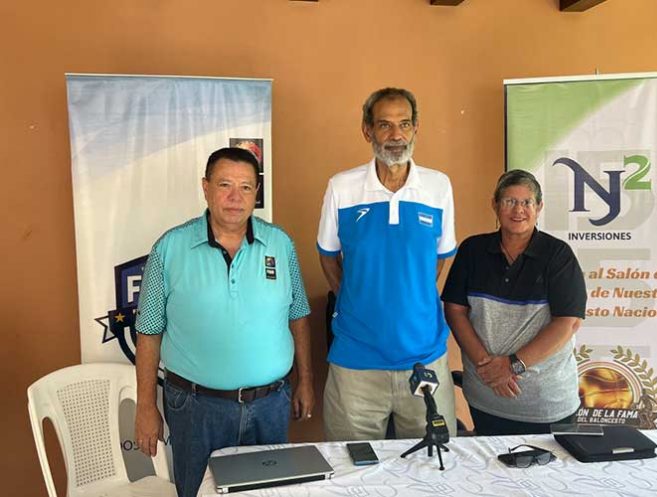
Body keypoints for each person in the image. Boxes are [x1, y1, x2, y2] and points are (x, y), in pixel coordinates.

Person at [134, 147, 314, 497]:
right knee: (196, 491)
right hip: (197, 409)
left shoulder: (281, 244)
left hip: (270, 405)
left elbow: (298, 315)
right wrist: (145, 407)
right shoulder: (170, 248)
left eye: (246, 187)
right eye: (225, 185)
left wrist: (305, 380)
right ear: (205, 187)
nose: (235, 197)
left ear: (256, 193)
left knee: (270, 492)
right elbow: (149, 331)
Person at [317, 87, 457, 441]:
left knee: (433, 471)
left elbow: (440, 260)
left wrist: (411, 298)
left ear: (415, 128)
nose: (396, 135)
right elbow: (327, 255)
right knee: (353, 474)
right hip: (355, 364)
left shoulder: (438, 187)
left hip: (424, 359)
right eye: (384, 125)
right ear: (367, 130)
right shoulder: (341, 187)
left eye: (404, 124)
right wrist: (356, 297)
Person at [441, 169, 587, 436]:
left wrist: (511, 366)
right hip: (486, 400)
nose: (518, 210)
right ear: (495, 205)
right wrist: (488, 367)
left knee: (552, 477)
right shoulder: (472, 251)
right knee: (489, 475)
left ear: (539, 207)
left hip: (547, 405)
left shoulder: (558, 256)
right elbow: (454, 310)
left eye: (527, 202)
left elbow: (568, 323)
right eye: (509, 201)